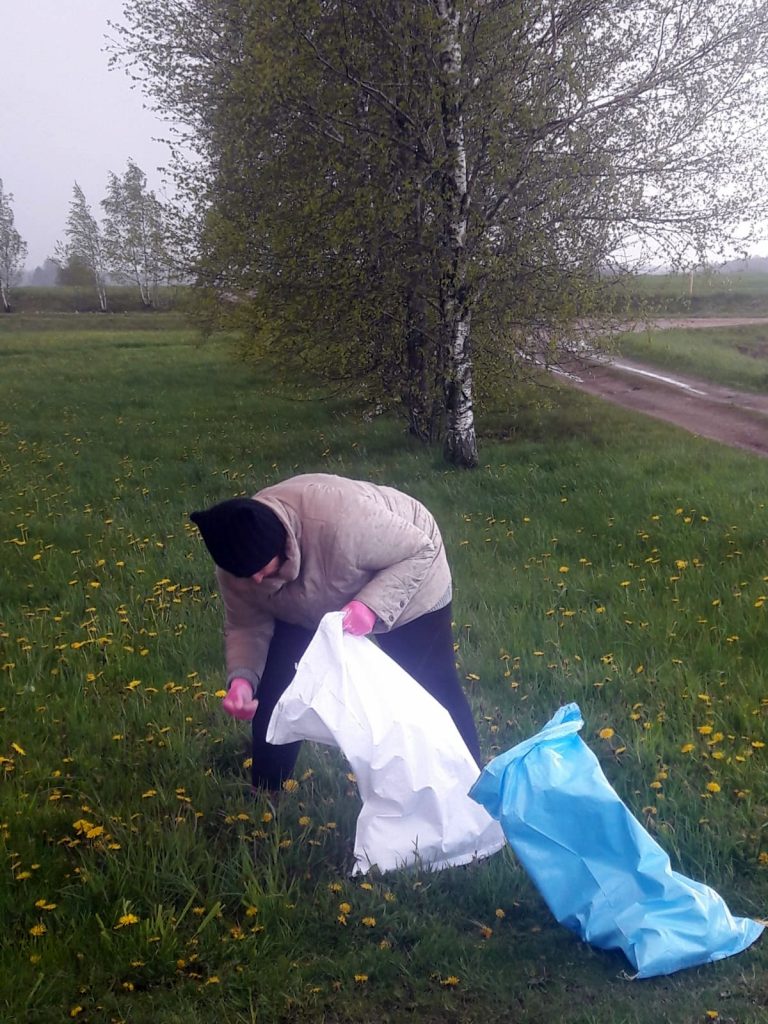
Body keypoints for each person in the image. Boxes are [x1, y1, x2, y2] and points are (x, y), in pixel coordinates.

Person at [190, 472, 481, 789]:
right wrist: (242, 681)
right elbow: (246, 624)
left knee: (432, 686)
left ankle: (473, 788)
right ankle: (267, 793)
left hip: (409, 566)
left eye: (261, 569)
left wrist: (368, 607)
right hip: (313, 593)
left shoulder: (343, 523)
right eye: (245, 575)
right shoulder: (237, 566)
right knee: (277, 690)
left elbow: (419, 550)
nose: (256, 580)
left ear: (281, 546)